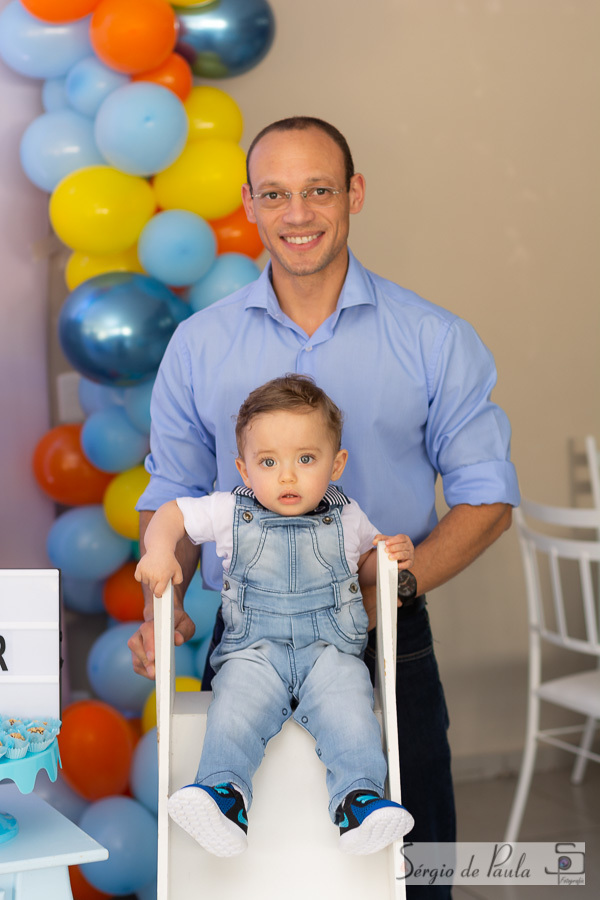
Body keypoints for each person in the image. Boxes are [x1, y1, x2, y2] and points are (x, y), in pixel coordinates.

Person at [128, 116, 520, 896]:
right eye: (275, 194)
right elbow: (171, 497)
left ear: (354, 194)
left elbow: (488, 498)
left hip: (385, 635)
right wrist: (158, 599)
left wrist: (387, 590)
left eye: (318, 191)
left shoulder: (434, 339)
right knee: (251, 866)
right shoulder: (198, 346)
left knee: (415, 863)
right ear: (248, 202)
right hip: (246, 638)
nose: (297, 214)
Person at [135, 374, 416, 857]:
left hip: (330, 653)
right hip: (254, 652)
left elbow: (367, 565)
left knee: (352, 708)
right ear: (245, 471)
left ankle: (359, 800)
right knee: (234, 708)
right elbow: (172, 513)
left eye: (306, 459)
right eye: (269, 462)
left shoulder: (347, 516)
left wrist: (389, 556)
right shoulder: (229, 511)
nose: (287, 476)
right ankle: (224, 796)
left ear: (336, 464)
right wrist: (159, 550)